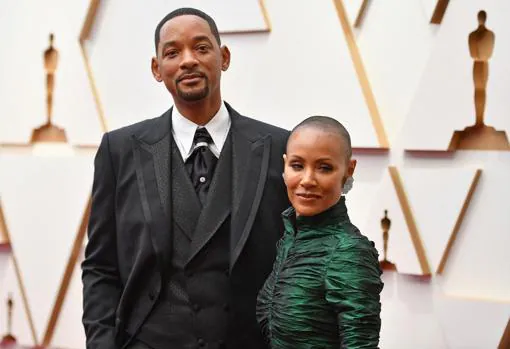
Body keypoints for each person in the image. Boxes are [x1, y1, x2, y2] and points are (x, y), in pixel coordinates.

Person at [81, 7, 289, 349]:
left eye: (201, 48)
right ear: (156, 69)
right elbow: (101, 267)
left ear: (224, 57)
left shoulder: (278, 147)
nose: (188, 60)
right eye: (173, 52)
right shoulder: (119, 151)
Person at [257, 116, 383, 348]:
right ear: (284, 166)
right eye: (297, 166)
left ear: (348, 170)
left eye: (324, 168)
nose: (307, 180)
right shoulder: (289, 239)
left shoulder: (348, 251)